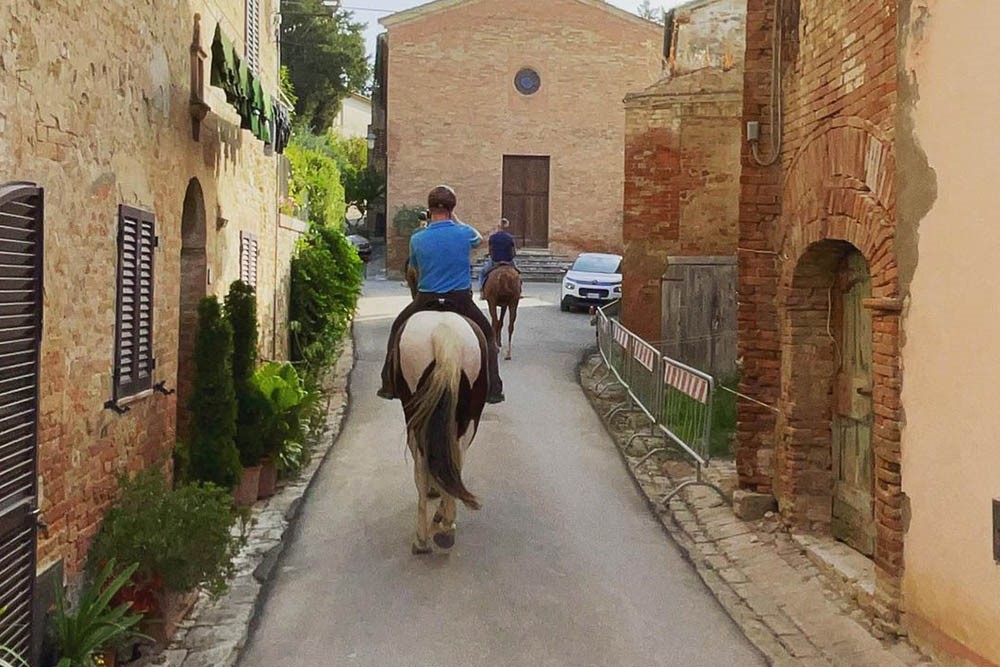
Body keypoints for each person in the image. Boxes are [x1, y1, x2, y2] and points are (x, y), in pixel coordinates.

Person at [379, 186, 505, 404]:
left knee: (396, 332)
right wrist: (456, 219)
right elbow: (478, 239)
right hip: (460, 300)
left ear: (429, 209)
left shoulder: (417, 238)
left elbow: (414, 269)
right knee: (489, 337)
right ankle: (494, 387)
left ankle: (388, 384)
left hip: (425, 299)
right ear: (452, 208)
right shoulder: (464, 233)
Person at [479, 218, 519, 295]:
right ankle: (519, 291)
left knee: (482, 273)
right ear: (507, 227)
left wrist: (490, 254)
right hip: (508, 261)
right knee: (518, 273)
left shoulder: (492, 237)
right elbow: (513, 252)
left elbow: (490, 250)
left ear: (498, 226)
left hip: (495, 261)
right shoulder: (510, 237)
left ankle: (482, 291)